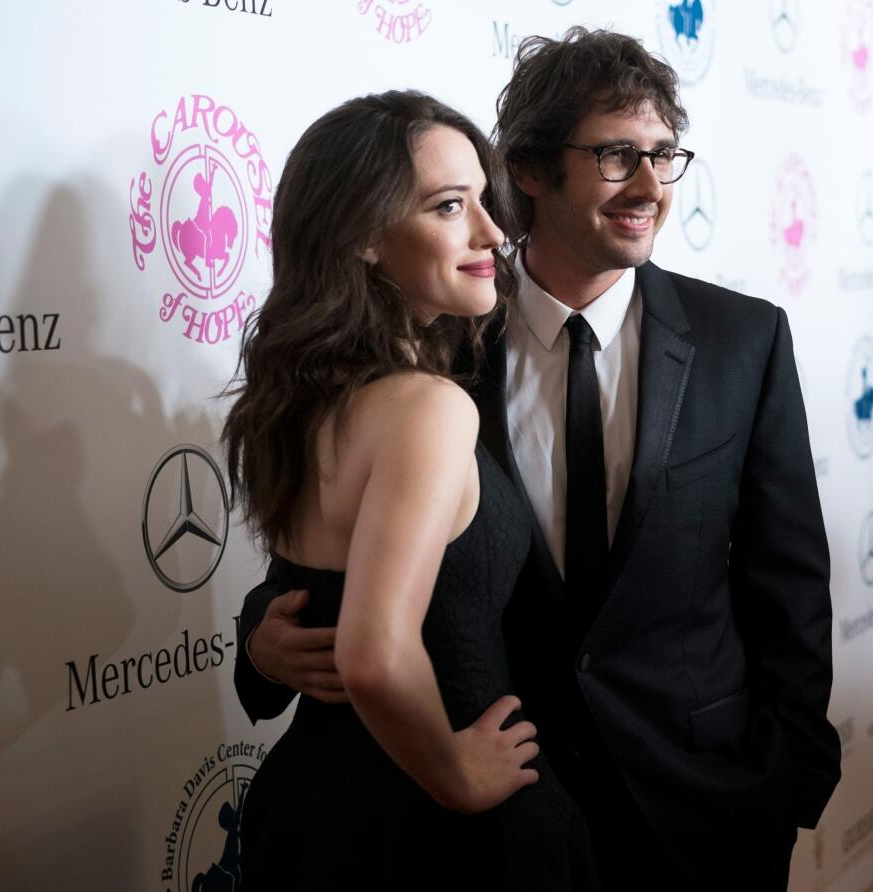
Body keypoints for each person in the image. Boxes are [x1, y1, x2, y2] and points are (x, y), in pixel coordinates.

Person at [235, 29, 840, 890]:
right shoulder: (435, 338)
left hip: (702, 807)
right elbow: (326, 561)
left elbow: (788, 582)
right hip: (496, 811)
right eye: (616, 154)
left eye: (665, 156)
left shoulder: (742, 341)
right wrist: (262, 643)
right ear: (528, 168)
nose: (648, 187)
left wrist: (789, 780)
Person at [221, 89, 598, 890]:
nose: (493, 233)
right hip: (444, 832)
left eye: (483, 202)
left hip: (312, 809)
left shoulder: (293, 404)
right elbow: (372, 653)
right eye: (450, 206)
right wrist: (458, 775)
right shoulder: (428, 409)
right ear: (362, 235)